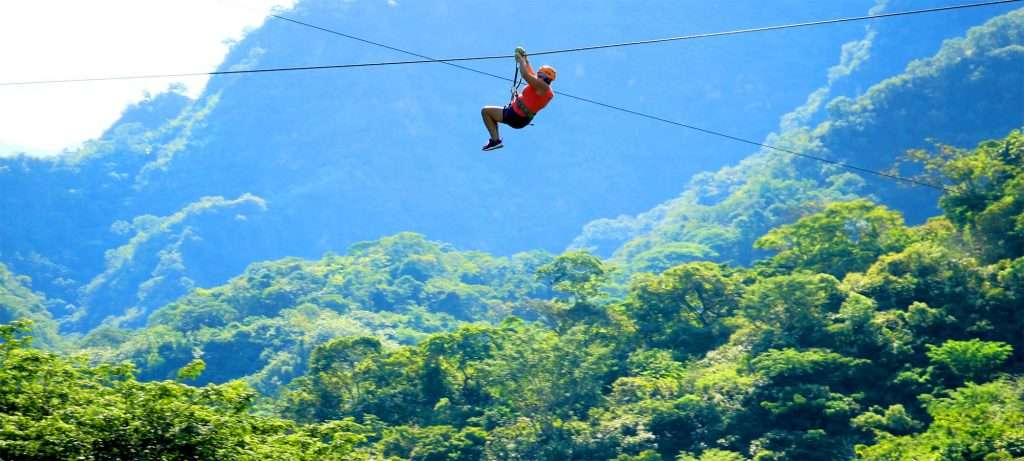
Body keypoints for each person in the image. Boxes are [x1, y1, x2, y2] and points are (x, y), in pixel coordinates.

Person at [480, 47, 556, 151]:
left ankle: (495, 141)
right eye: (538, 74)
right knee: (486, 111)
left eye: (540, 74)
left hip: (516, 116)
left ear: (547, 78)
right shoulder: (540, 86)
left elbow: (525, 74)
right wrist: (525, 58)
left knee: (485, 111)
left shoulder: (544, 88)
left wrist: (520, 60)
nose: (538, 75)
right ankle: (495, 141)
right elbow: (530, 72)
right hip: (516, 115)